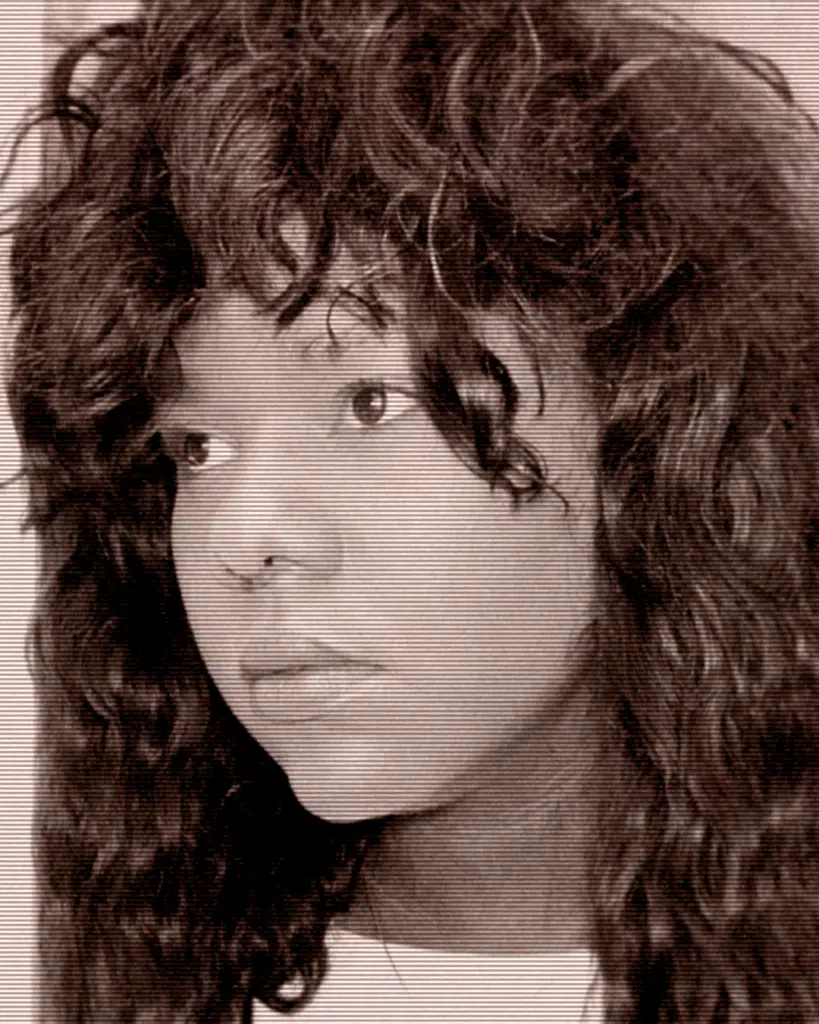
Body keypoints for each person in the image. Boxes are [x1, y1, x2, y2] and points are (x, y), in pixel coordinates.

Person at [5, 0, 819, 1020]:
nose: (243, 534)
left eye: (368, 401)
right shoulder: (144, 980)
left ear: (655, 420)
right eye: (196, 447)